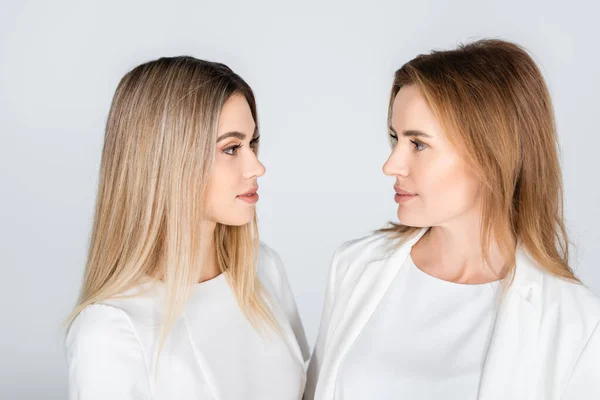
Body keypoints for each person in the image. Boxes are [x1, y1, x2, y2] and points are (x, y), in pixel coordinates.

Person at [304, 40, 600, 399]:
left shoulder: (576, 322)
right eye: (395, 139)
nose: (390, 165)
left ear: (490, 154)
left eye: (418, 144)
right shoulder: (355, 266)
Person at [65, 56, 309, 400]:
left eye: (252, 144)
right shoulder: (111, 330)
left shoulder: (263, 269)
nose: (257, 166)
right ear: (168, 159)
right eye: (232, 148)